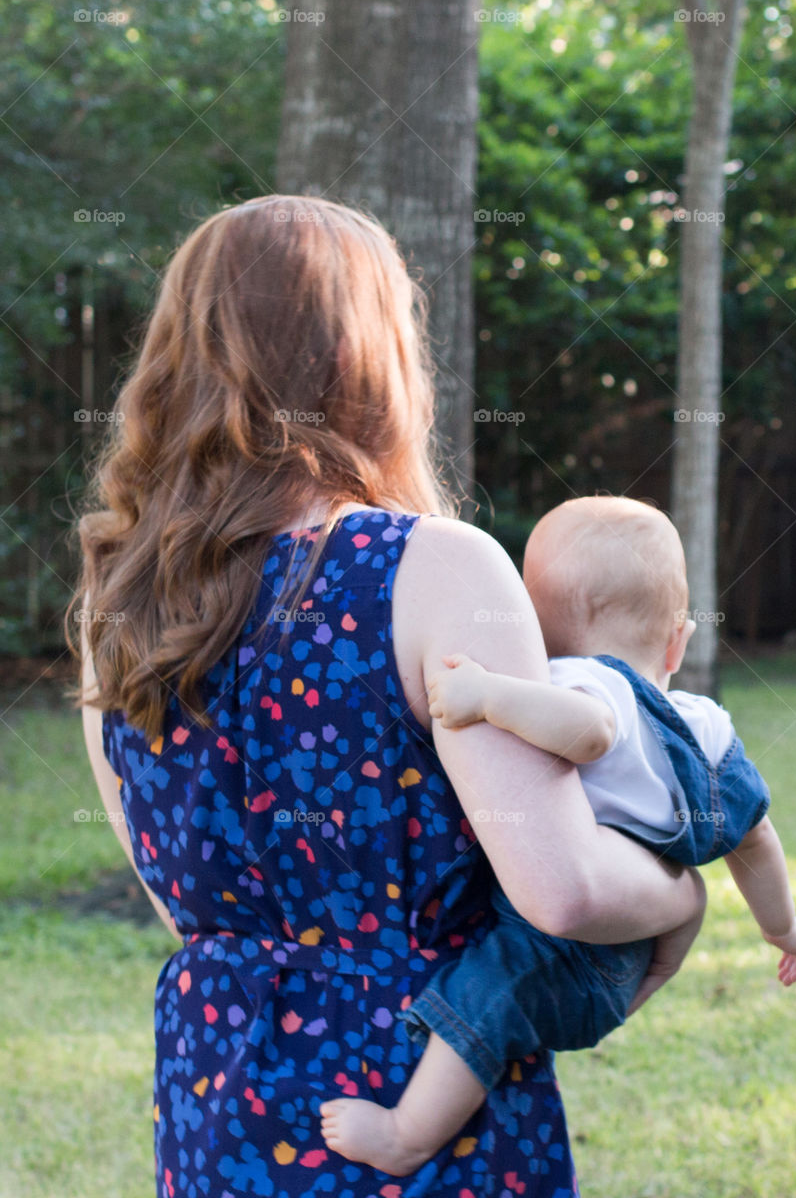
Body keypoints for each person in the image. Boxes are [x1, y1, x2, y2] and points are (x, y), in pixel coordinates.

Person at [69, 197, 705, 1198]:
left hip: (216, 1091)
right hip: (411, 1087)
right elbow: (563, 888)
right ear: (370, 356)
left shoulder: (117, 601)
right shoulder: (432, 567)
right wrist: (684, 890)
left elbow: (179, 899)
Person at [320, 496, 796, 1177]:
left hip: (561, 950)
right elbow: (753, 835)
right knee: (502, 996)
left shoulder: (578, 683)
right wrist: (781, 926)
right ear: (677, 640)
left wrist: (489, 695)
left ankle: (407, 1135)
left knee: (484, 999)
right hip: (627, 960)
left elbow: (589, 732)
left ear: (529, 621)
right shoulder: (705, 731)